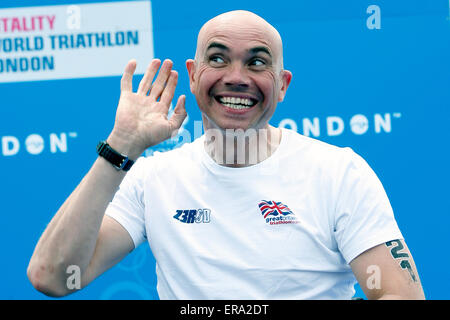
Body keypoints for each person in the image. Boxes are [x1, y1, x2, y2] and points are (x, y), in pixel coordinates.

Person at [27, 10, 425, 300]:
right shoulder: (152, 178)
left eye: (257, 62)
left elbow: (400, 295)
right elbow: (55, 277)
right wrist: (122, 145)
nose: (237, 77)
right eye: (217, 58)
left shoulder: (339, 172)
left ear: (282, 84)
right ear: (194, 74)